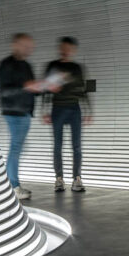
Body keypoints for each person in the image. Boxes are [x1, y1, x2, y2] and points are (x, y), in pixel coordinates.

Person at [0, 33, 43, 201]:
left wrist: (41, 88)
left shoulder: (26, 65)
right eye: (25, 45)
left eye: (30, 46)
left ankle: (10, 182)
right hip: (13, 112)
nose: (29, 49)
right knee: (16, 148)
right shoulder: (6, 65)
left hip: (25, 112)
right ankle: (13, 186)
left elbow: (32, 88)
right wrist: (26, 87)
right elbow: (5, 91)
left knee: (19, 148)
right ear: (15, 44)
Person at [43, 37, 92, 192]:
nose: (66, 50)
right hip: (57, 109)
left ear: (73, 50)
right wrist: (44, 109)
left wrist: (89, 110)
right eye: (63, 47)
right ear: (60, 48)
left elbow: (86, 89)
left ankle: (77, 179)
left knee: (76, 146)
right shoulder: (52, 66)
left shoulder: (78, 67)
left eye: (69, 48)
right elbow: (46, 88)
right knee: (58, 146)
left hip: (74, 109)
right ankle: (59, 179)